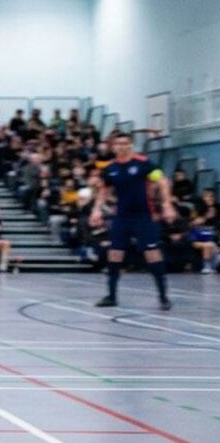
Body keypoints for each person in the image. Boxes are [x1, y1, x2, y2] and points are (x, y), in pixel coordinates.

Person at [90, 131, 176, 310]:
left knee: (152, 254)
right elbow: (103, 191)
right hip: (122, 217)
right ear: (113, 147)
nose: (122, 147)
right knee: (115, 254)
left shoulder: (143, 163)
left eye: (125, 143)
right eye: (118, 144)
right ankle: (111, 296)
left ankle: (163, 297)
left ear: (131, 145)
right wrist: (97, 210)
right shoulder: (110, 168)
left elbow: (162, 181)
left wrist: (167, 205)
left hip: (144, 216)